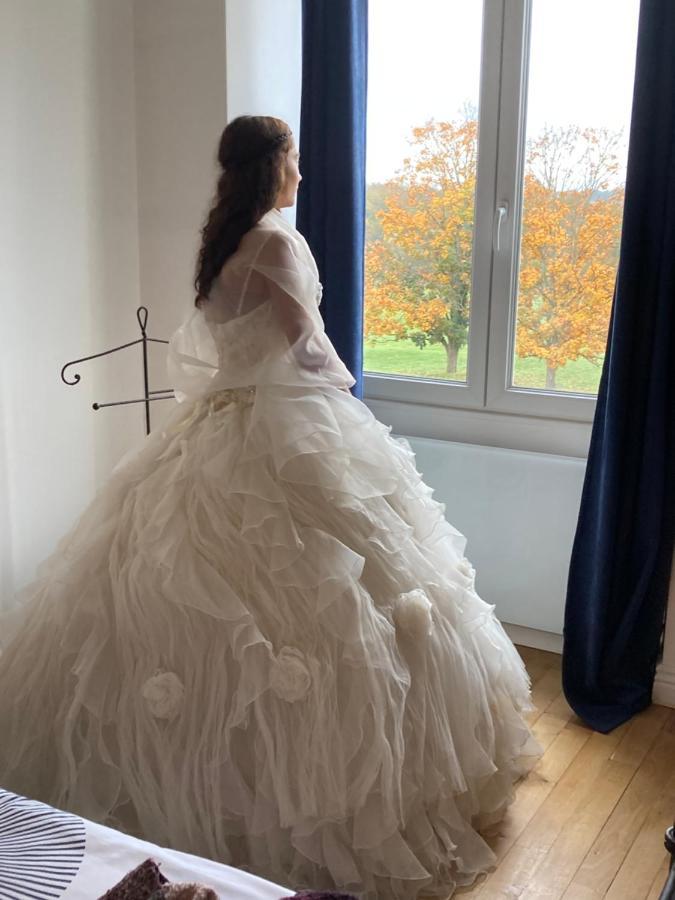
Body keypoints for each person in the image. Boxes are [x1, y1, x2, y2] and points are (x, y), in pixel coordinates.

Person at [0, 115, 539, 899]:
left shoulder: (220, 246)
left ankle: (213, 791)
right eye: (293, 159)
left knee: (184, 593)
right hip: (281, 426)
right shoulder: (278, 243)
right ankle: (325, 798)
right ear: (272, 166)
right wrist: (350, 400)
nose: (301, 172)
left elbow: (229, 346)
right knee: (331, 592)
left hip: (220, 426)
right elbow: (305, 344)